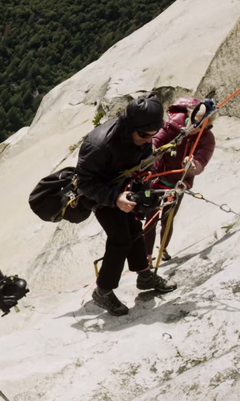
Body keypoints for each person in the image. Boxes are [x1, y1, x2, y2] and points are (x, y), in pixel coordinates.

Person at [75, 93, 177, 316]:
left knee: (134, 231)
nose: (148, 139)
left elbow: (144, 162)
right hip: (101, 194)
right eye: (143, 134)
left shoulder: (140, 137)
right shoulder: (99, 145)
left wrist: (144, 185)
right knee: (120, 239)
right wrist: (115, 198)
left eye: (153, 134)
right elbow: (84, 183)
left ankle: (144, 276)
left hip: (125, 188)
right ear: (131, 127)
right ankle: (102, 292)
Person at [144, 98, 216, 264]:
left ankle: (162, 249)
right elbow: (156, 140)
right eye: (195, 119)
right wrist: (154, 151)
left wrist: (193, 165)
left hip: (178, 183)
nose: (196, 125)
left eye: (202, 122)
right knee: (151, 217)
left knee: (167, 218)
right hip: (157, 177)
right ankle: (147, 256)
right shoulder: (172, 126)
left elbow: (202, 159)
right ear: (190, 114)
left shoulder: (206, 138)